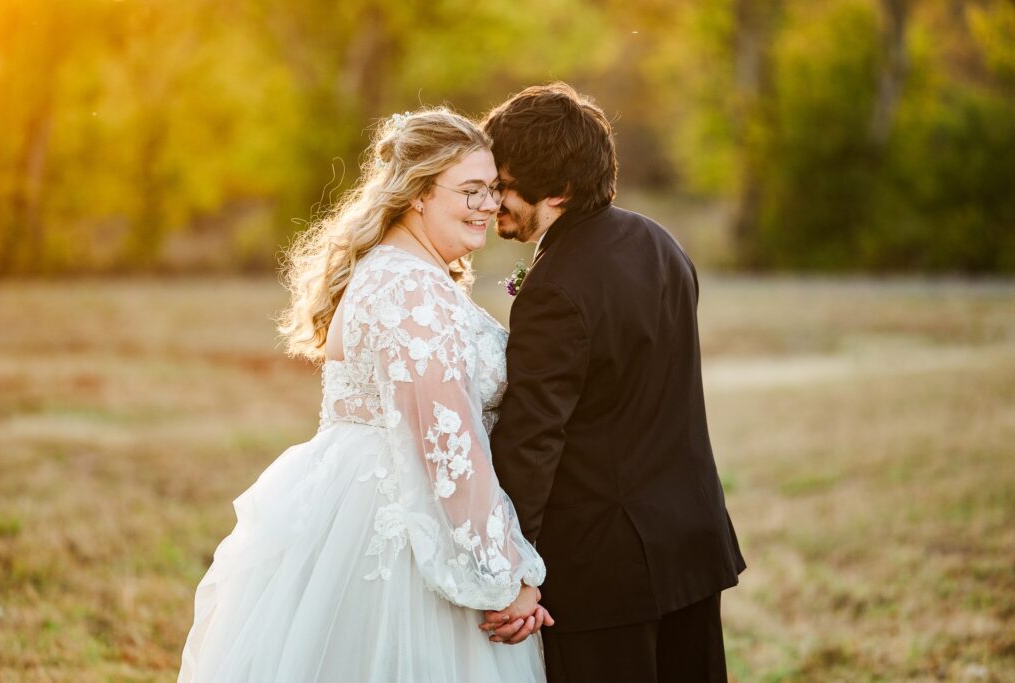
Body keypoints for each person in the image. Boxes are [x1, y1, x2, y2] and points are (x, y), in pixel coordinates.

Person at [177, 108, 552, 682]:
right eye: (471, 190)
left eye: (494, 190)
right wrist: (506, 574)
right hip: (399, 520)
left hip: (360, 500)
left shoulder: (396, 271)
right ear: (418, 194)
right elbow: (444, 445)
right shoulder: (409, 286)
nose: (489, 205)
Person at [479, 83, 746, 682]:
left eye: (503, 183)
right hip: (691, 540)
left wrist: (510, 569)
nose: (494, 199)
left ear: (559, 191)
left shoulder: (554, 288)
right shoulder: (660, 243)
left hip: (605, 571)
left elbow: (532, 440)